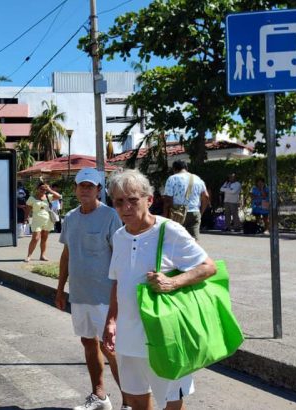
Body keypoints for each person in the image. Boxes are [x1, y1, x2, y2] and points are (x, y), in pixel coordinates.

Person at [104, 169, 216, 410]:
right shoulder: (119, 236)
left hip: (163, 336)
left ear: (149, 200)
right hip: (127, 335)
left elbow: (208, 267)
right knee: (135, 399)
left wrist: (172, 282)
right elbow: (117, 281)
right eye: (119, 202)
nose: (126, 207)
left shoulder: (169, 231)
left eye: (133, 200)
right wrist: (111, 320)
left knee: (172, 402)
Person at [55, 168, 124, 410]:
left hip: (105, 296)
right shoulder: (71, 218)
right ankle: (100, 396)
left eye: (90, 186)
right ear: (75, 189)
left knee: (111, 348)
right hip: (80, 293)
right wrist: (60, 287)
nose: (85, 189)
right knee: (88, 342)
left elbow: (120, 256)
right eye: (81, 185)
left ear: (98, 190)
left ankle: (129, 402)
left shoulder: (110, 216)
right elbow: (67, 254)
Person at [162, 160, 210, 240]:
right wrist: (201, 211)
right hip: (194, 212)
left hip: (177, 214)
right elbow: (206, 196)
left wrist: (165, 217)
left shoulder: (172, 179)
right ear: (186, 168)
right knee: (193, 241)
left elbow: (167, 201)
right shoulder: (197, 178)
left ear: (174, 169)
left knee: (177, 240)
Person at [24, 182, 62, 262]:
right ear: (37, 189)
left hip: (47, 220)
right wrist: (26, 217)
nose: (43, 190)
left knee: (44, 238)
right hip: (37, 220)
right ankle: (29, 256)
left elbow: (59, 196)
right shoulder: (32, 198)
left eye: (44, 189)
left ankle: (42, 255)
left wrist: (49, 190)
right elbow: (27, 208)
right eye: (41, 188)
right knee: (35, 238)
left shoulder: (48, 197)